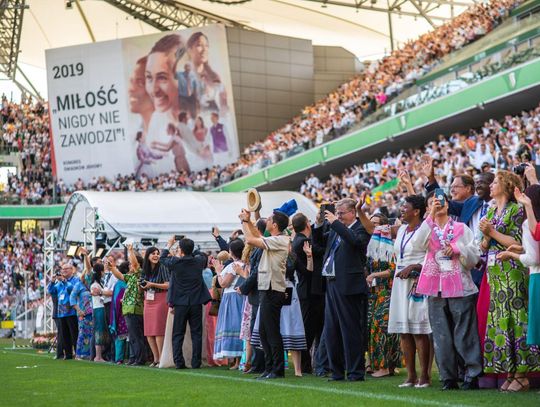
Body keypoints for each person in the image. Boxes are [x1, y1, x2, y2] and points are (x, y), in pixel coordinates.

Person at [416, 191, 482, 390]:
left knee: (465, 333)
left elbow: (474, 258)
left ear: (448, 204)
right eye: (433, 202)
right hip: (434, 287)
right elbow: (417, 244)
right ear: (428, 208)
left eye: (441, 201)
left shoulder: (461, 228)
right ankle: (448, 377)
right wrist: (430, 217)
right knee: (441, 335)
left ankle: (472, 374)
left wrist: (458, 249)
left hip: (460, 286)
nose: (438, 204)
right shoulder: (426, 228)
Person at [480, 171, 540, 391]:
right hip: (495, 272)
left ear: (506, 185)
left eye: (495, 182)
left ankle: (523, 374)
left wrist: (492, 232)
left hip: (513, 269)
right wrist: (486, 236)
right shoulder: (492, 210)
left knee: (516, 318)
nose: (491, 186)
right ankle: (511, 371)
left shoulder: (516, 210)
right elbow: (483, 246)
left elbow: (517, 241)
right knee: (500, 320)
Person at [312, 198, 371, 382]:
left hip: (349, 285)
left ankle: (355, 372)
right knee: (331, 331)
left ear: (353, 212)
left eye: (341, 213)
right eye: (336, 213)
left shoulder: (360, 228)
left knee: (350, 330)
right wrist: (319, 223)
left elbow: (355, 242)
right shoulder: (335, 229)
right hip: (332, 283)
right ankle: (336, 371)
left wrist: (336, 223)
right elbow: (319, 245)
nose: (338, 216)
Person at [387, 195, 432, 388]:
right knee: (404, 331)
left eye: (405, 207)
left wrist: (415, 266)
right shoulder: (402, 229)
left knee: (418, 330)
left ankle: (425, 376)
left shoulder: (426, 229)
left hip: (418, 281)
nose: (401, 209)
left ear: (417, 211)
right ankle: (411, 376)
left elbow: (432, 256)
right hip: (400, 281)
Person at [240, 208, 290, 379]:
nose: (266, 221)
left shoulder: (281, 240)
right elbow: (257, 235)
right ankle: (269, 368)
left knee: (271, 331)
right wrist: (248, 222)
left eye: (269, 219)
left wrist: (244, 222)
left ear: (274, 225)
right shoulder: (276, 238)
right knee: (263, 331)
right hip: (267, 288)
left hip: (272, 289)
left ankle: (277, 369)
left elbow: (250, 239)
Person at [361, 213, 401, 378]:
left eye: (377, 224)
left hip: (388, 291)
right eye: (371, 224)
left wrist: (374, 275)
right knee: (370, 327)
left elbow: (394, 269)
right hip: (373, 293)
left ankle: (386, 367)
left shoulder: (391, 245)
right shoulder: (370, 246)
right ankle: (374, 364)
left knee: (381, 327)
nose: (374, 227)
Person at [162, 236, 211, 369]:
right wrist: (188, 249)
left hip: (180, 303)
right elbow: (201, 254)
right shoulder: (199, 261)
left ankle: (179, 362)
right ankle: (196, 362)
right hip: (196, 302)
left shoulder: (175, 262)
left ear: (181, 250)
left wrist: (170, 245)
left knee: (178, 333)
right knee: (197, 334)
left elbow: (162, 258)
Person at [291, 212, 325, 374]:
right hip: (310, 291)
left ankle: (314, 363)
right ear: (306, 225)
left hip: (307, 290)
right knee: (309, 329)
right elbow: (321, 249)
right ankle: (305, 365)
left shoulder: (297, 240)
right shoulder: (304, 241)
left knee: (314, 327)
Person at [236, 218, 267, 374]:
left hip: (258, 293)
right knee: (256, 331)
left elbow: (255, 273)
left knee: (259, 331)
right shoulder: (257, 247)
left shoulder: (261, 247)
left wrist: (244, 287)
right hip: (255, 294)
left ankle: (258, 364)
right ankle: (257, 363)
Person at [109, 246, 146, 366]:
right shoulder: (130, 277)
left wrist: (130, 250)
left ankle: (139, 359)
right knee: (133, 336)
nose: (130, 266)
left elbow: (135, 264)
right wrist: (112, 267)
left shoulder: (139, 274)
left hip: (134, 308)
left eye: (131, 264)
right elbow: (119, 276)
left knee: (136, 336)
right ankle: (136, 357)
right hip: (129, 309)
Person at [213, 239, 246, 368]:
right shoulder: (242, 264)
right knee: (237, 325)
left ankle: (238, 360)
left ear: (231, 252)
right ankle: (237, 360)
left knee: (234, 325)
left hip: (232, 297)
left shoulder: (234, 265)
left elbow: (223, 283)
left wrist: (217, 271)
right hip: (236, 296)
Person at [139, 247, 170, 367]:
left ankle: (162, 358)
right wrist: (141, 285)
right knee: (149, 332)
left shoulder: (162, 266)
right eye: (153, 253)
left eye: (157, 253)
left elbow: (168, 285)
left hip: (161, 299)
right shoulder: (145, 269)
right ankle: (156, 359)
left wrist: (152, 284)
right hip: (148, 300)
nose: (156, 255)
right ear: (147, 256)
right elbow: (141, 288)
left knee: (158, 331)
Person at [47, 262, 79, 360]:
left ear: (71, 270)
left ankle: (77, 353)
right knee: (64, 335)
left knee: (74, 334)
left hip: (72, 311)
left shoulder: (75, 280)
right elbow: (51, 291)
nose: (63, 271)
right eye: (62, 269)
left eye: (66, 269)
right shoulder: (59, 283)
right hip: (61, 312)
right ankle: (68, 354)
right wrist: (52, 282)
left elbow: (73, 290)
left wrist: (65, 281)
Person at [69, 271, 93, 360]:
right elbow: (72, 298)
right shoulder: (78, 285)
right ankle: (78, 354)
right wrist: (78, 310)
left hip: (92, 313)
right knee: (82, 333)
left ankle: (89, 354)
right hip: (82, 314)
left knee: (91, 334)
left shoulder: (92, 284)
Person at [109, 261, 129, 364]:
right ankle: (119, 358)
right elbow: (117, 299)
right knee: (121, 336)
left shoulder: (127, 281)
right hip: (122, 313)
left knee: (127, 337)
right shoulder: (121, 283)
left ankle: (127, 357)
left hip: (127, 312)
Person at [89, 263, 108, 362]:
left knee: (100, 331)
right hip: (98, 309)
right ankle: (98, 356)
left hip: (99, 308)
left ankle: (99, 355)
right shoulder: (95, 285)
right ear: (101, 272)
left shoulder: (97, 283)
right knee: (99, 331)